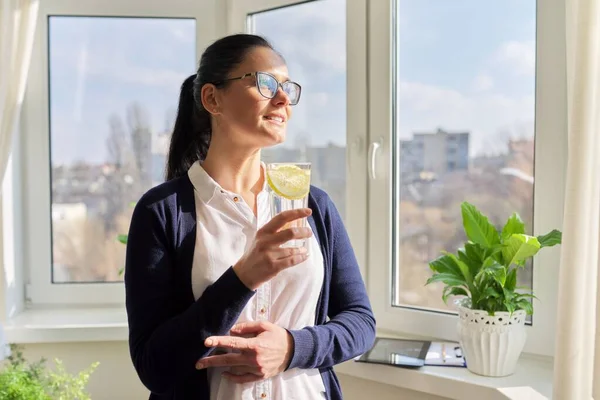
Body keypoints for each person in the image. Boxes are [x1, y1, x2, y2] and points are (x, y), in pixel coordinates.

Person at [124, 33, 376, 400]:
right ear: (213, 98)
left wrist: (291, 348)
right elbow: (153, 365)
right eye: (266, 83)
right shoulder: (162, 212)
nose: (284, 98)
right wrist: (243, 278)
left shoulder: (313, 205)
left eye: (288, 86)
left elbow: (361, 323)